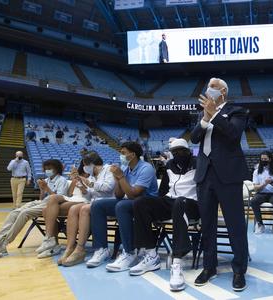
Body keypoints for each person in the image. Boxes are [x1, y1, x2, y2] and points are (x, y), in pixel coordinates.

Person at [190, 77, 250, 292]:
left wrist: (214, 113)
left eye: (214, 87)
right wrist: (205, 118)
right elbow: (194, 138)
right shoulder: (204, 113)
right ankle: (209, 266)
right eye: (208, 87)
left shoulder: (237, 111)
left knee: (235, 225)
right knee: (207, 224)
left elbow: (233, 136)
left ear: (223, 91)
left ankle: (239, 269)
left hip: (229, 175)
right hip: (205, 175)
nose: (209, 90)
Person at [130, 138, 199, 291]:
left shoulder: (197, 163)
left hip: (192, 203)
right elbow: (162, 192)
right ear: (172, 154)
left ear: (188, 151)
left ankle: (177, 261)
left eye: (182, 151)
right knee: (140, 203)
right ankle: (151, 254)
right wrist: (157, 209)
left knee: (180, 202)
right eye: (175, 152)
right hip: (172, 200)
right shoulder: (169, 165)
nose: (179, 154)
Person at [0, 159, 68, 259]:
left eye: (50, 168)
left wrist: (47, 188)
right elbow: (42, 198)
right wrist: (42, 190)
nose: (47, 170)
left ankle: (3, 244)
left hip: (52, 205)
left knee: (25, 213)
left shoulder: (62, 180)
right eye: (46, 169)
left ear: (56, 169)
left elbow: (58, 199)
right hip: (42, 202)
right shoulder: (48, 179)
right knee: (14, 213)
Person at [88, 141, 158, 271]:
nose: (121, 155)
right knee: (97, 205)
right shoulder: (126, 169)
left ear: (133, 154)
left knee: (122, 206)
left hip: (148, 204)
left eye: (123, 153)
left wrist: (120, 177)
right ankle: (102, 249)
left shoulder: (146, 168)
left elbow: (133, 195)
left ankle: (129, 252)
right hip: (131, 202)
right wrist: (118, 178)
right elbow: (119, 195)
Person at [39, 151, 115, 262]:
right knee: (73, 209)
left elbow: (107, 187)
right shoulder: (94, 176)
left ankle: (80, 248)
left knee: (82, 209)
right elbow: (89, 194)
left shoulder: (109, 169)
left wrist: (86, 181)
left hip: (108, 202)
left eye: (85, 165)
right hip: (94, 202)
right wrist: (81, 185)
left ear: (92, 164)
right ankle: (70, 247)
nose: (84, 168)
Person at [251, 152, 273, 236]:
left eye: (265, 159)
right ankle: (260, 224)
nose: (263, 161)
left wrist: (272, 182)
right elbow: (255, 188)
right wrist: (264, 184)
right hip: (261, 194)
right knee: (253, 201)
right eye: (262, 159)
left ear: (270, 159)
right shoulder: (256, 171)